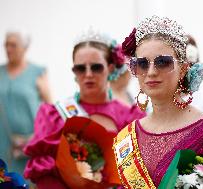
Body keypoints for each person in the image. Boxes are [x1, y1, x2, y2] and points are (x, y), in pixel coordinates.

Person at [113, 16, 203, 188]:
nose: (151, 72)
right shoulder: (128, 136)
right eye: (142, 63)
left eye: (163, 62)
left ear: (183, 69)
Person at [23, 29, 145, 189]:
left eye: (96, 67)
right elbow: (43, 171)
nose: (88, 74)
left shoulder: (131, 117)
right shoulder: (54, 115)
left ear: (110, 68)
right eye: (80, 68)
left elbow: (137, 172)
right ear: (74, 71)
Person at [0, 31, 52, 174]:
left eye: (13, 45)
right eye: (6, 45)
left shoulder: (38, 72)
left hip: (29, 143)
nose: (8, 49)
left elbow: (49, 107)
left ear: (25, 47)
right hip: (3, 141)